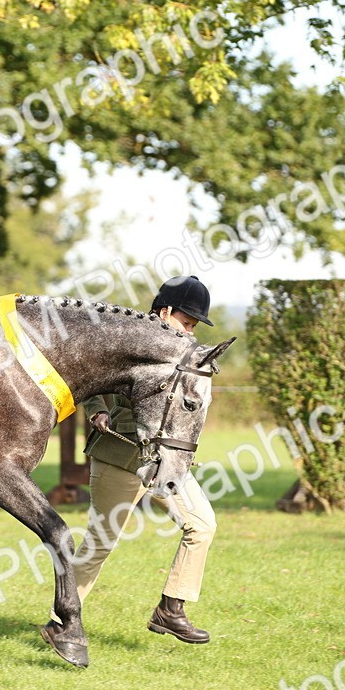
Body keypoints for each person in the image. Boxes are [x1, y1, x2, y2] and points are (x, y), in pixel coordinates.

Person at [51, 275, 219, 644]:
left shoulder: (182, 354)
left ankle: (171, 610)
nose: (190, 332)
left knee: (202, 525)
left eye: (194, 327)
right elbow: (90, 376)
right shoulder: (128, 339)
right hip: (119, 457)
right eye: (186, 323)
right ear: (164, 312)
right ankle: (61, 623)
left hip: (166, 464)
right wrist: (96, 408)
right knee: (99, 546)